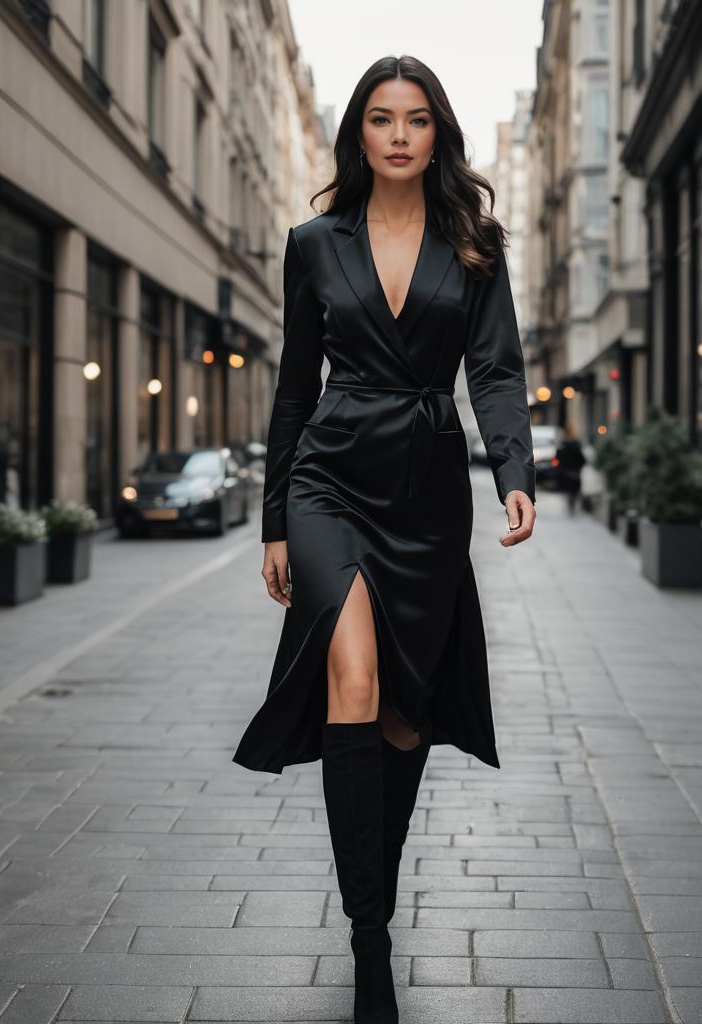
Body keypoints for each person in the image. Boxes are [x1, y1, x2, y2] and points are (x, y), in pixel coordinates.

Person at [232, 55, 536, 1023]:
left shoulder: (474, 243)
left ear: (438, 133)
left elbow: (495, 369)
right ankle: (370, 943)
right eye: (379, 117)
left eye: (415, 118)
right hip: (329, 477)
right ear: (357, 134)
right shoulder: (312, 244)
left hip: (429, 494)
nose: (398, 134)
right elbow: (293, 386)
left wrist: (515, 471)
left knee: (403, 714)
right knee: (353, 679)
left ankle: (376, 887)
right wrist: (275, 520)